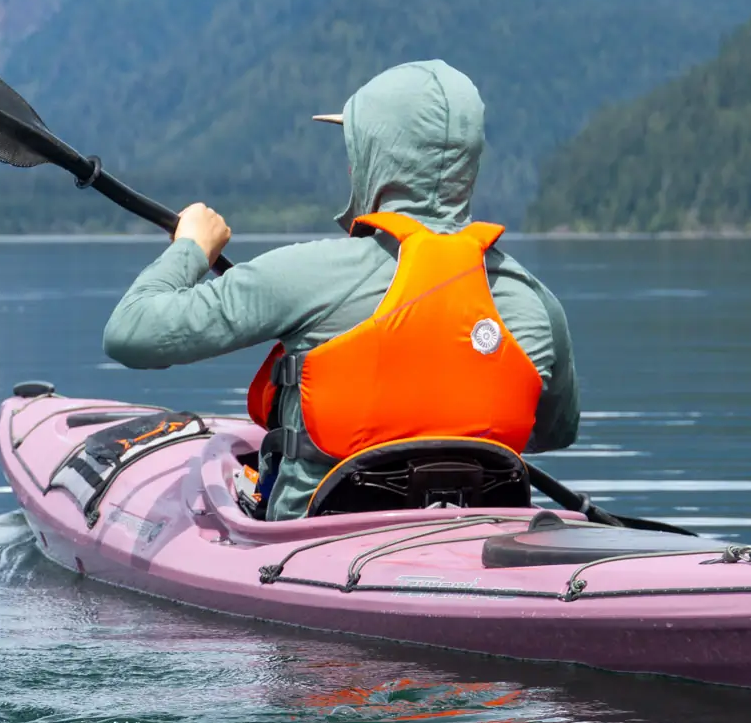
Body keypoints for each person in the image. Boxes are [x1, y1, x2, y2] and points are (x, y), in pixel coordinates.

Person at [103, 60, 579, 520]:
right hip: (482, 534)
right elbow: (555, 432)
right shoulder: (533, 298)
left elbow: (131, 332)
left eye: (357, 155)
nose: (352, 170)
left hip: (314, 542)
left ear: (375, 163)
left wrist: (192, 248)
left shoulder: (303, 274)